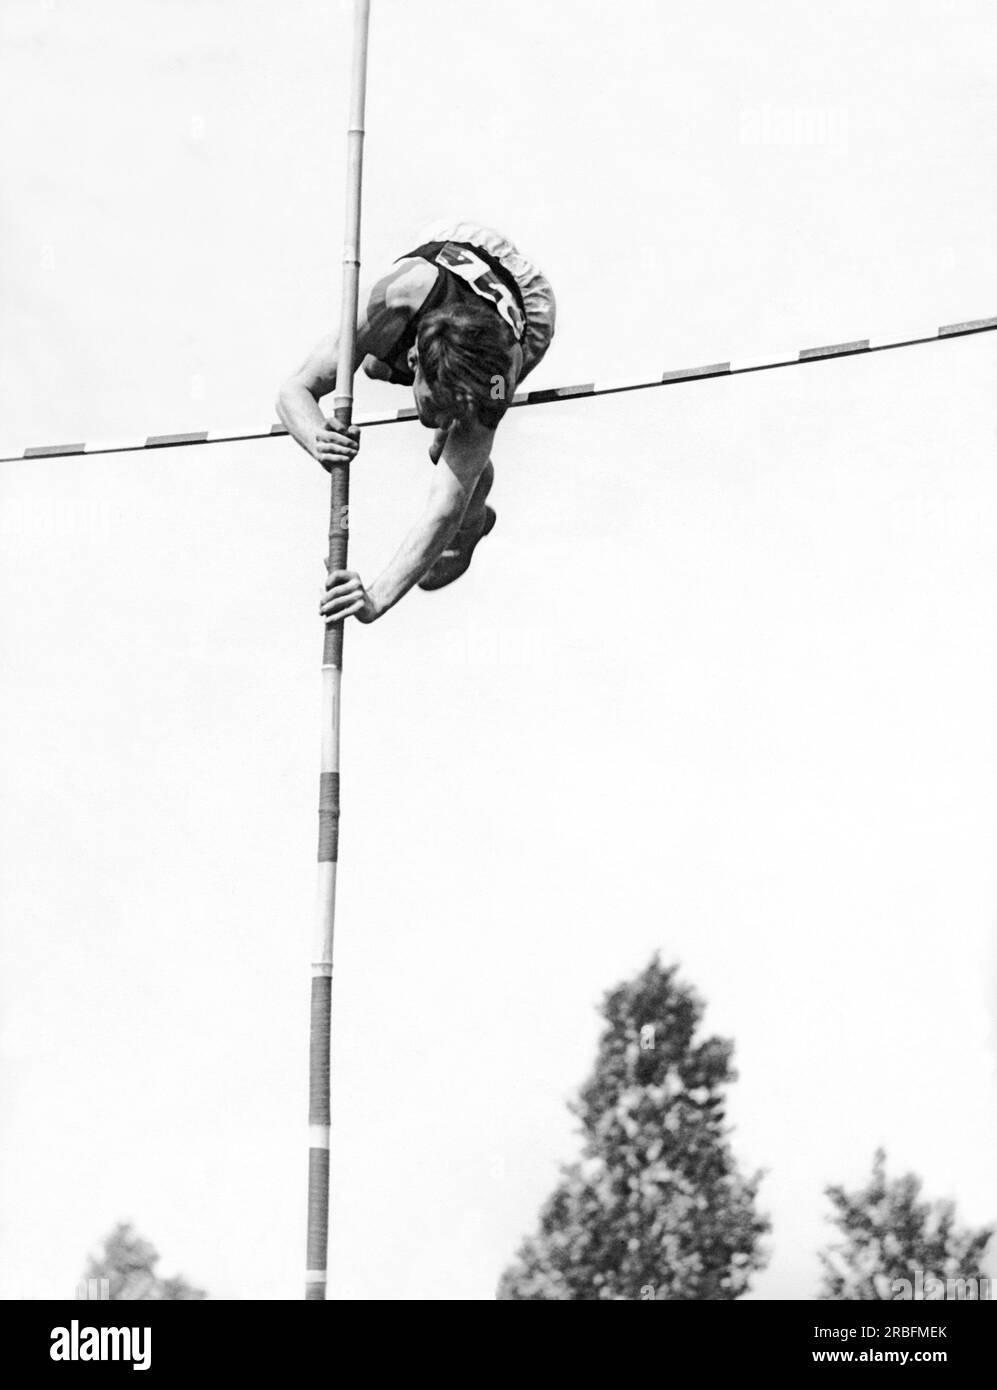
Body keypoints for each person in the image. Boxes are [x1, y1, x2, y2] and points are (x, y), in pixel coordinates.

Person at [276, 220, 556, 624]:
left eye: (454, 409)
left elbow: (444, 506)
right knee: (369, 364)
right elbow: (294, 390)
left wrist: (375, 599)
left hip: (526, 307)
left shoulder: (498, 375)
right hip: (452, 260)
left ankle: (474, 523)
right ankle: (387, 364)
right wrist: (316, 435)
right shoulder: (393, 299)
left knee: (451, 451)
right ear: (413, 362)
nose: (440, 417)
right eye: (439, 404)